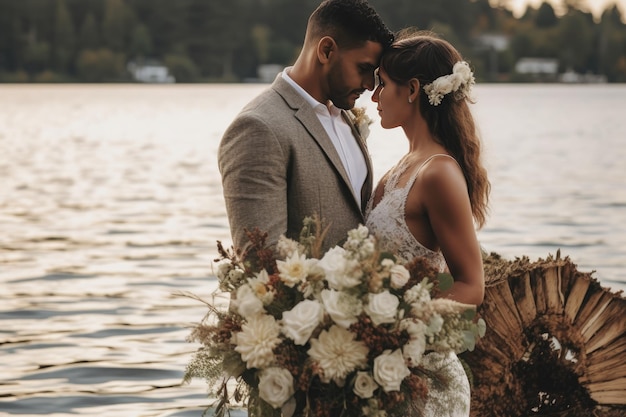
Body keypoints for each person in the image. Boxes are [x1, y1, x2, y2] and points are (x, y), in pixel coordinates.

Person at [365, 30, 490, 416]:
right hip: (389, 370)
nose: (373, 97)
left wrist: (404, 324)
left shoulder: (438, 173)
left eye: (381, 84)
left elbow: (471, 285)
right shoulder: (400, 167)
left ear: (413, 89)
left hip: (428, 381)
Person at [218, 0, 394, 252]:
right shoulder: (258, 128)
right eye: (363, 68)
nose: (369, 84)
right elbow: (261, 261)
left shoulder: (346, 116)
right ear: (326, 51)